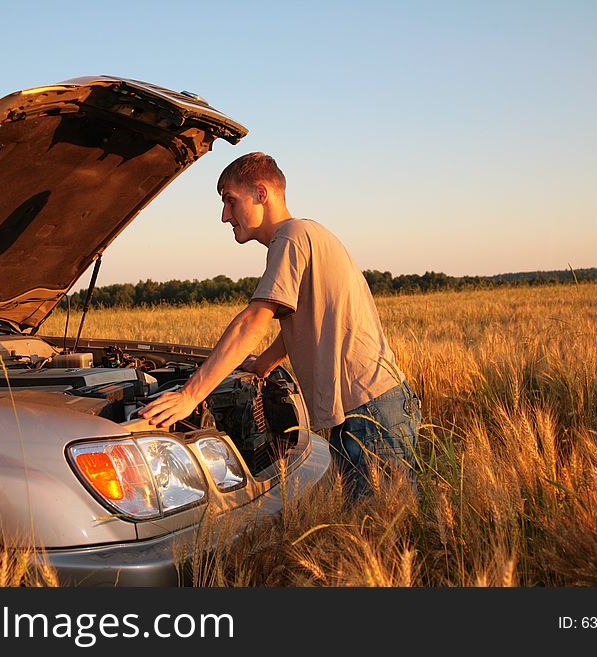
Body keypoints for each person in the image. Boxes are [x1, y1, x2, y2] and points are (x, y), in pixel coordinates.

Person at [139, 152, 421, 498]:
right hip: (371, 406)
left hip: (370, 410)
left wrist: (190, 395)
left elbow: (253, 322)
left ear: (261, 193)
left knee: (380, 533)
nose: (224, 215)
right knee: (375, 531)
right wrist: (265, 364)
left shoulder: (290, 237)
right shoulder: (304, 235)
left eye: (230, 201)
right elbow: (310, 316)